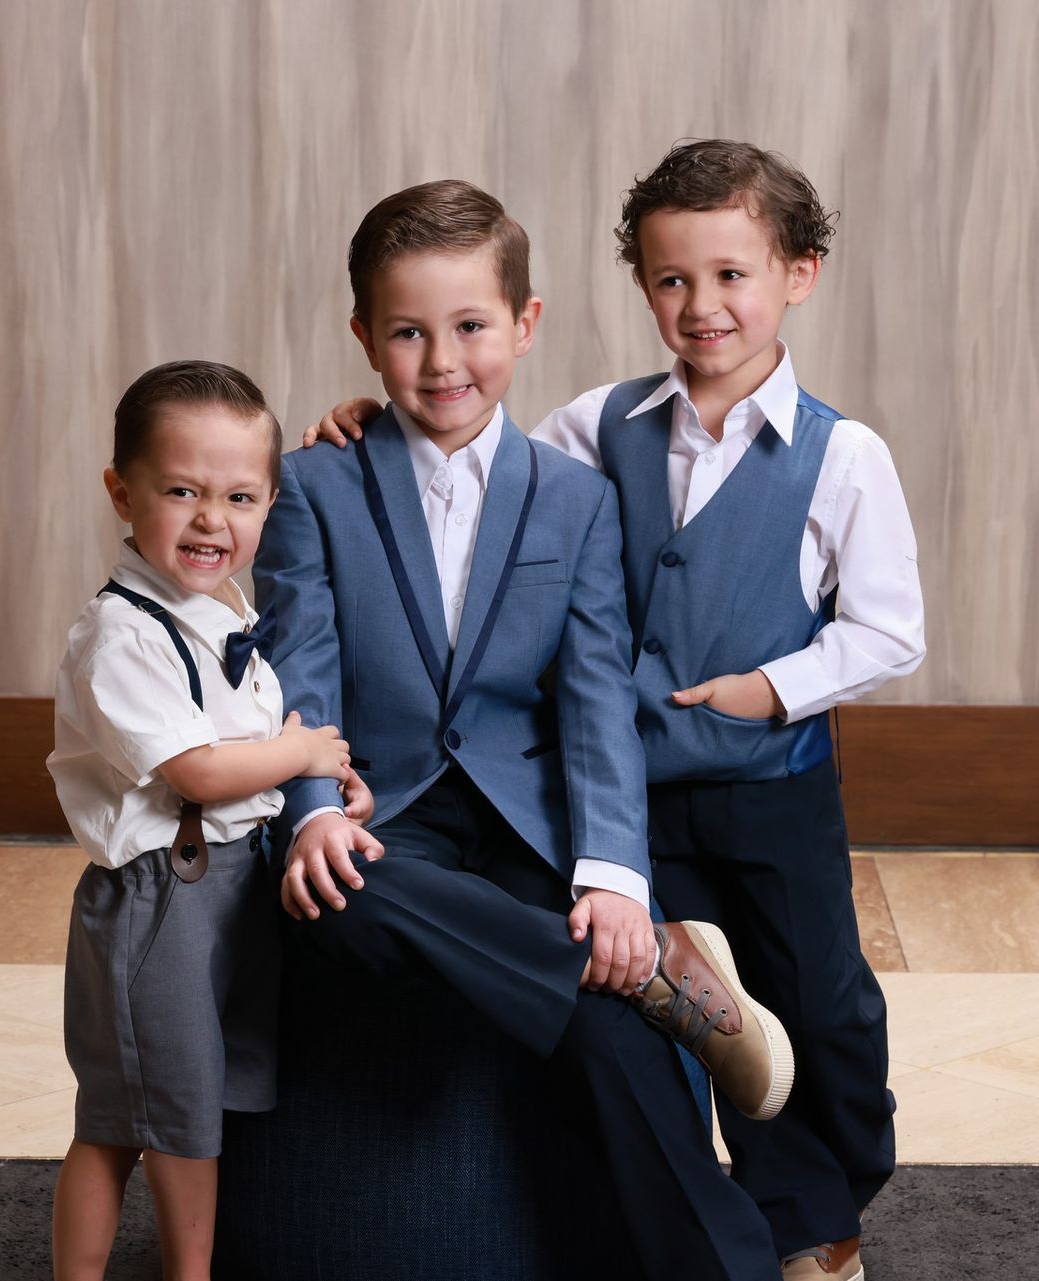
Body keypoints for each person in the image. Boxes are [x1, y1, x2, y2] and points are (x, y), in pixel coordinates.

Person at [308, 140, 926, 1281]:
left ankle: (828, 1202)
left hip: (766, 783)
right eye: (672, 281)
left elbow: (889, 627)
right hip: (632, 784)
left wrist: (769, 689)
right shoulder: (598, 426)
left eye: (732, 275)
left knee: (818, 996)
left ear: (801, 274)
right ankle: (769, 1198)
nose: (702, 307)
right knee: (660, 1001)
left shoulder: (844, 457)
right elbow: (471, 475)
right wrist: (372, 422)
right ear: (643, 289)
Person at [255, 178, 789, 1280]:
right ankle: (659, 975)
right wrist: (309, 811)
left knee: (607, 1027)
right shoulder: (312, 486)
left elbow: (595, 700)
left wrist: (613, 878)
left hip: (528, 818)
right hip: (377, 812)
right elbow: (300, 669)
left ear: (525, 324)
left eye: (470, 328)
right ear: (364, 338)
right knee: (339, 901)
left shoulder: (574, 499)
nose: (442, 361)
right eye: (407, 333)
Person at [46, 361, 365, 1281]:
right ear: (122, 492)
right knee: (138, 1121)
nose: (211, 519)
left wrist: (326, 779)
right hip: (159, 904)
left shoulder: (216, 606)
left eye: (239, 496)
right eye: (181, 491)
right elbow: (200, 768)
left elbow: (252, 739)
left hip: (229, 886)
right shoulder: (123, 633)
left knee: (186, 1107)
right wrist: (306, 754)